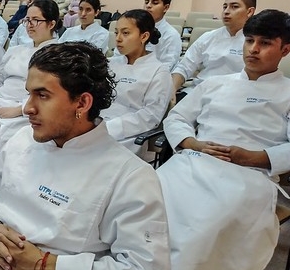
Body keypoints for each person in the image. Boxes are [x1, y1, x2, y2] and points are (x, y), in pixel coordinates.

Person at [0, 41, 170, 270]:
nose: (28, 107)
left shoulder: (130, 177)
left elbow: (144, 265)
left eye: (42, 95)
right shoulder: (23, 140)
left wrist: (47, 263)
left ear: (82, 103)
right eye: (29, 93)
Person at [156, 9, 290, 270]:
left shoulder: (288, 93)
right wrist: (194, 144)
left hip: (247, 175)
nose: (253, 49)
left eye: (265, 43)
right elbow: (176, 119)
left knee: (203, 226)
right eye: (249, 40)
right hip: (192, 163)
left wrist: (255, 157)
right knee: (149, 200)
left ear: (285, 50)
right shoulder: (214, 84)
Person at [0, 0, 58, 148]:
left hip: (25, 110)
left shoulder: (57, 55)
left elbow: (49, 92)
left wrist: (18, 110)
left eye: (36, 20)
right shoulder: (16, 50)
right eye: (28, 20)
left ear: (51, 24)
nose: (30, 24)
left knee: (0, 141)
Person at [102, 9, 172, 155]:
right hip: (97, 124)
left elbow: (150, 116)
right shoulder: (109, 63)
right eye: (116, 33)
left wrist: (110, 128)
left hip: (128, 136)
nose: (118, 38)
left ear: (144, 36)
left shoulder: (159, 71)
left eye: (125, 33)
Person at [171, 0, 255, 101]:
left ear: (249, 12)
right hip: (198, 92)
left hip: (233, 98)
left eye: (234, 7)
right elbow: (184, 67)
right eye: (225, 7)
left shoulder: (256, 43)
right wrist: (172, 89)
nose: (226, 11)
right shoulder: (208, 37)